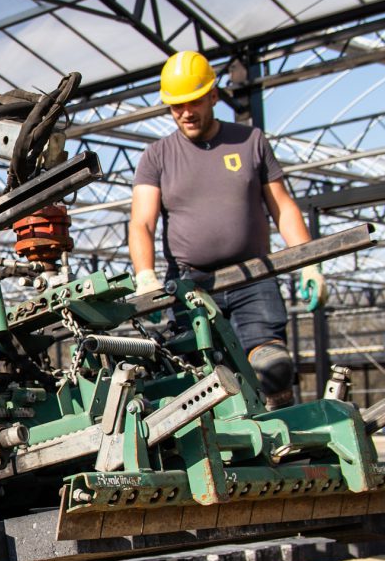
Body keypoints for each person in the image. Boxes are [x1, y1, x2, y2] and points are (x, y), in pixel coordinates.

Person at [128, 50, 324, 410]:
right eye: (176, 106)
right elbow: (142, 221)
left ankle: (284, 437)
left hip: (254, 277)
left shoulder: (250, 142)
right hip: (190, 285)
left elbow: (282, 207)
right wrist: (145, 277)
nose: (186, 112)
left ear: (213, 96)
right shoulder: (157, 156)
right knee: (202, 380)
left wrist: (309, 262)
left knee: (273, 367)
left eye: (194, 101)